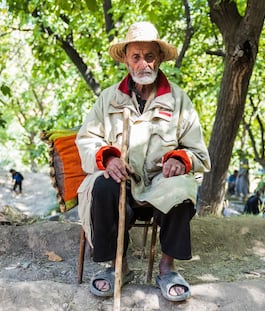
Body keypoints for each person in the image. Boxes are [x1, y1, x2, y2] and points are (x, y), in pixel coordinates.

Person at [75, 21, 210, 302]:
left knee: (182, 189)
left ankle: (167, 268)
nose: (143, 63)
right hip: (122, 183)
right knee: (102, 186)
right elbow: (87, 140)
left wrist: (179, 160)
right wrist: (109, 157)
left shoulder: (178, 100)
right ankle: (115, 266)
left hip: (160, 186)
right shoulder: (109, 99)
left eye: (149, 56)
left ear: (159, 58)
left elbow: (198, 153)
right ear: (126, 60)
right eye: (136, 57)